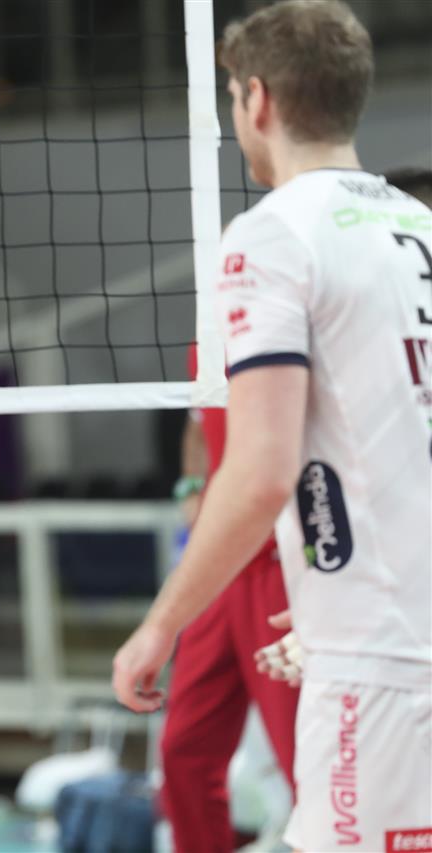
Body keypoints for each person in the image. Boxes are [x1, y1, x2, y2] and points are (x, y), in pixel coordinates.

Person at [112, 3, 432, 850]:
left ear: (257, 99)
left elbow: (259, 474)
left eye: (231, 96)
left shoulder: (271, 235)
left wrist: (160, 624)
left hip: (381, 660)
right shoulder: (419, 226)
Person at [158, 345, 297, 852]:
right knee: (182, 751)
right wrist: (192, 488)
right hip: (218, 569)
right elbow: (199, 424)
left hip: (283, 566)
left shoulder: (289, 324)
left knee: (305, 759)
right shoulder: (207, 336)